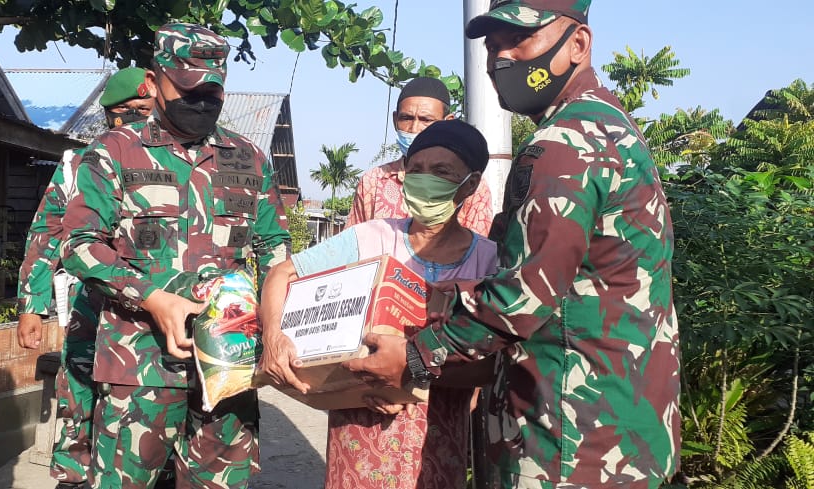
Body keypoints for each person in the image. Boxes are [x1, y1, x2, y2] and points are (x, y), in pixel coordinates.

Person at [343, 1, 681, 488]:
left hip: (569, 435)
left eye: (518, 40)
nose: (499, 58)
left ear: (578, 45)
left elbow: (520, 298)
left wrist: (414, 357)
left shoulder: (564, 144)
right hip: (621, 423)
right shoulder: (609, 126)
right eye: (491, 44)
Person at [59, 22, 291, 489]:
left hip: (228, 370)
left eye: (213, 90)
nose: (201, 100)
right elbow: (80, 245)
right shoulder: (114, 153)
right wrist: (151, 298)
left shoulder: (246, 158)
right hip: (139, 368)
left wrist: (277, 326)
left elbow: (276, 251)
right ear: (155, 81)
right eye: (188, 87)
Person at [261, 120, 498, 489]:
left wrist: (411, 372)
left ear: (470, 184)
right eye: (415, 170)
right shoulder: (371, 237)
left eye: (441, 172)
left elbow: (493, 366)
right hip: (358, 435)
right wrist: (273, 336)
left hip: (437, 445)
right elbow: (281, 275)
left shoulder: (489, 262)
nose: (424, 180)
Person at [16, 66, 156, 489]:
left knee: (146, 408)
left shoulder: (179, 162)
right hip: (91, 307)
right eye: (128, 112)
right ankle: (74, 476)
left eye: (146, 110)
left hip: (152, 311)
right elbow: (47, 231)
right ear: (111, 116)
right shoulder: (80, 164)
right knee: (79, 392)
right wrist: (32, 305)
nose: (138, 119)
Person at [347, 77, 494, 236]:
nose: (414, 128)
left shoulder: (467, 184)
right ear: (395, 120)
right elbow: (352, 247)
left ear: (448, 122)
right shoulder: (373, 182)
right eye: (406, 118)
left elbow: (477, 251)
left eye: (426, 120)